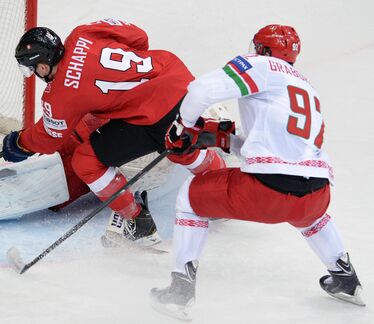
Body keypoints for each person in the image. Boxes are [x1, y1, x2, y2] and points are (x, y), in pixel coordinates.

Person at [150, 24, 365, 321]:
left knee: (189, 195)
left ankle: (179, 291)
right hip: (317, 193)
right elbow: (281, 146)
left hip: (266, 192)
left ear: (263, 49)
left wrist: (181, 128)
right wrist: (224, 138)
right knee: (311, 215)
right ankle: (346, 279)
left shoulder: (260, 65)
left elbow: (200, 90)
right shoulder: (306, 86)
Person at [2, 18, 226, 247]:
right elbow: (139, 37)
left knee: (86, 161)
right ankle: (224, 191)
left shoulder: (59, 95)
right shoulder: (83, 33)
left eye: (32, 69)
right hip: (178, 78)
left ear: (42, 66)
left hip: (154, 115)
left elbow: (49, 139)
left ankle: (138, 223)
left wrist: (20, 143)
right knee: (180, 144)